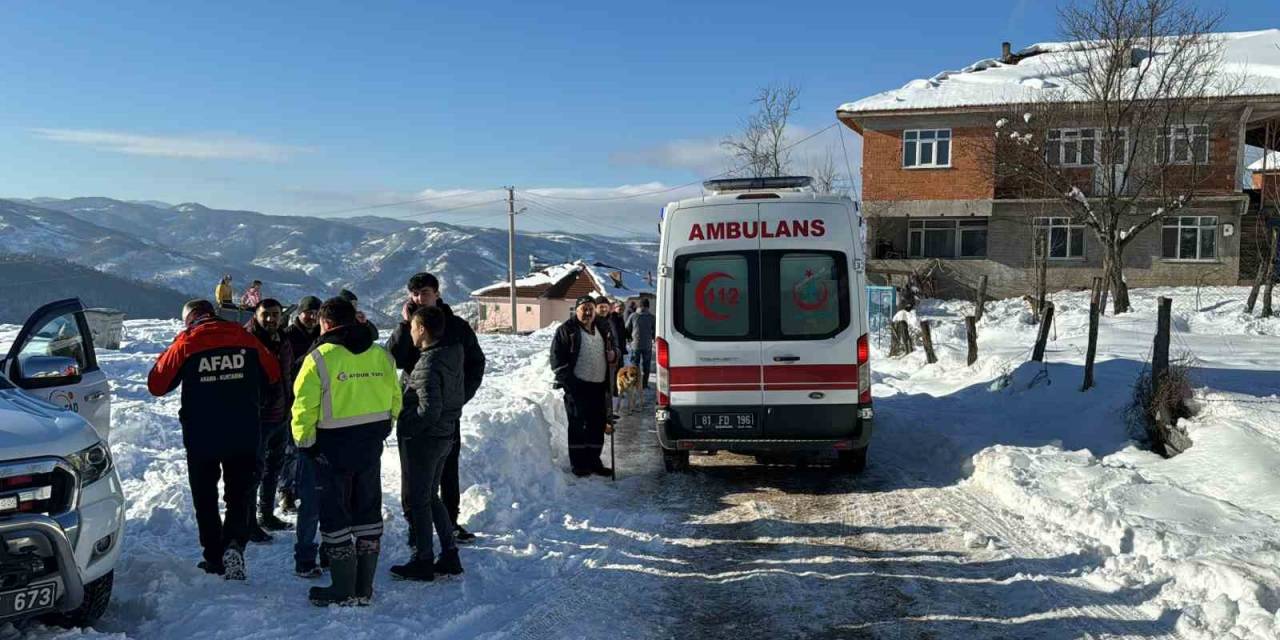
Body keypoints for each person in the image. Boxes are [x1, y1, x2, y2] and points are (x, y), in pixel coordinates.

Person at [147, 299, 280, 580]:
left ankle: (213, 556)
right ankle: (234, 544)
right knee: (239, 494)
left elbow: (157, 384)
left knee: (205, 498)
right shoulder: (244, 337)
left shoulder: (187, 342)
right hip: (243, 430)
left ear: (190, 319)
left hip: (202, 435)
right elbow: (273, 375)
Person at [292, 297, 400, 606]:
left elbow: (302, 410)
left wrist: (306, 445)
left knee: (335, 514)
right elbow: (396, 398)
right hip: (369, 446)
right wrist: (382, 428)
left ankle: (342, 587)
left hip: (330, 448)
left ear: (325, 324)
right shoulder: (381, 355)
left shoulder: (319, 358)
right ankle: (364, 586)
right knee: (367, 511)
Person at [387, 273, 486, 544]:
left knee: (447, 469)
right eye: (415, 294)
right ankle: (416, 527)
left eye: (425, 292)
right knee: (414, 474)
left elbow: (476, 363)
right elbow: (391, 359)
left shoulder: (456, 326)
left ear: (438, 293)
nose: (420, 298)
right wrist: (404, 325)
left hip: (446, 413)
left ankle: (450, 522)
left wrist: (459, 397)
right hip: (415, 409)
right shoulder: (408, 327)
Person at [389, 306, 465, 581]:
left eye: (411, 327)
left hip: (425, 440)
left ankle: (423, 559)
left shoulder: (429, 363)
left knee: (418, 500)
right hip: (445, 433)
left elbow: (429, 409)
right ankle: (449, 553)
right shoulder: (451, 354)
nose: (409, 332)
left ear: (421, 329)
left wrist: (406, 422)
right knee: (432, 497)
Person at [244, 299, 294, 540]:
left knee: (274, 468)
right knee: (253, 471)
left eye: (275, 315)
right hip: (257, 419)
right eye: (266, 315)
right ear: (256, 314)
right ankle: (248, 521)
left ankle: (266, 514)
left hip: (281, 414)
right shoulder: (246, 340)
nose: (271, 319)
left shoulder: (282, 339)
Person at [550, 296, 613, 478]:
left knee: (597, 425)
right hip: (577, 387)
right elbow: (556, 359)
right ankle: (579, 464)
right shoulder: (566, 330)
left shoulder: (603, 327)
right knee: (578, 426)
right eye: (583, 309)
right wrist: (570, 383)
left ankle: (594, 461)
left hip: (599, 386)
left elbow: (614, 349)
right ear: (576, 310)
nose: (587, 312)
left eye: (590, 309)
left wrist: (613, 354)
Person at [280, 295, 321, 518]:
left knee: (312, 448)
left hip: (317, 400)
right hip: (292, 400)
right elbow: (289, 369)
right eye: (308, 312)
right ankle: (286, 490)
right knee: (291, 449)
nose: (312, 318)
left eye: (316, 313)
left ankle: (306, 487)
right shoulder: (288, 336)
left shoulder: (321, 334)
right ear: (299, 313)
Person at [626, 297, 657, 391]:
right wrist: (652, 338)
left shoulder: (633, 316)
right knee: (646, 365)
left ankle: (635, 384)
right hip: (647, 344)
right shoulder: (652, 317)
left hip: (635, 344)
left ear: (639, 306)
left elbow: (627, 328)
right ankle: (644, 384)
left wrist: (629, 338)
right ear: (648, 306)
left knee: (634, 365)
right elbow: (655, 330)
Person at [607, 300, 629, 416]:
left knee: (619, 371)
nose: (620, 310)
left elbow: (622, 332)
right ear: (614, 308)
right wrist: (617, 348)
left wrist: (628, 335)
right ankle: (614, 392)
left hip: (620, 348)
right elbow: (615, 333)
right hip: (616, 349)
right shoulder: (612, 318)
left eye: (622, 308)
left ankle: (616, 391)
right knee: (615, 371)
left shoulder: (620, 318)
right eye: (618, 308)